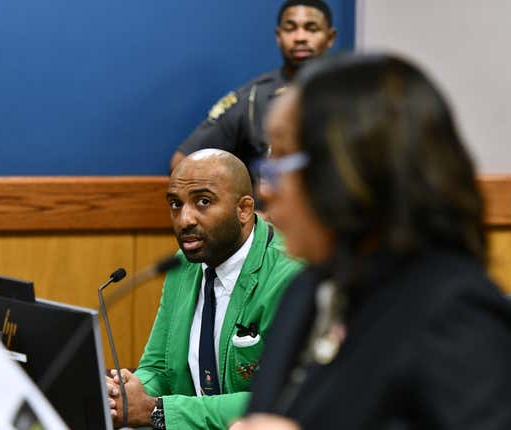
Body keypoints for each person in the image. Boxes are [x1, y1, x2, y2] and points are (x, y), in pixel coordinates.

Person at [232, 54, 511, 429]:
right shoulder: (308, 287)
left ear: (352, 170)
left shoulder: (454, 310)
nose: (265, 187)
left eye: (282, 160)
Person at [106, 149, 302, 429]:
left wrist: (158, 411)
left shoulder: (290, 275)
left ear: (244, 209)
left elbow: (274, 401)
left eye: (203, 202)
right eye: (175, 204)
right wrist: (122, 394)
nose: (185, 219)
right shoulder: (182, 265)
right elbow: (159, 368)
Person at [170, 0, 337, 172]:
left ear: (330, 37)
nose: (300, 37)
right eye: (290, 28)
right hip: (270, 197)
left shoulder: (351, 94)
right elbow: (182, 162)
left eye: (311, 28)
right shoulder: (252, 98)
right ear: (278, 36)